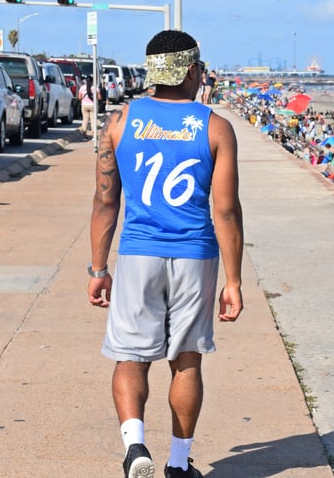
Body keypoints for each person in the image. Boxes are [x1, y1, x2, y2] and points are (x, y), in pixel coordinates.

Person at [88, 30, 243, 478]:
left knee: (130, 357)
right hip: (195, 255)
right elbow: (226, 211)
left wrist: (98, 268)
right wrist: (232, 282)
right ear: (192, 70)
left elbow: (104, 201)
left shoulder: (119, 122)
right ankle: (177, 463)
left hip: (138, 254)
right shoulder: (215, 127)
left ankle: (135, 447)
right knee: (187, 362)